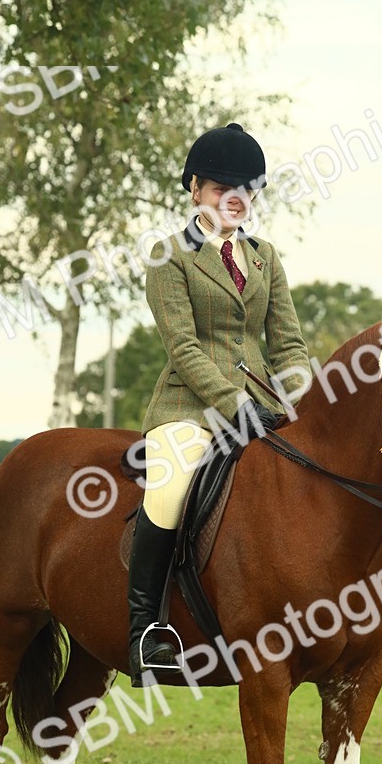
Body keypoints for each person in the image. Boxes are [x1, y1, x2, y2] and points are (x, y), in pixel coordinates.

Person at [127, 121, 311, 687]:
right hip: (189, 406)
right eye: (220, 189)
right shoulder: (170, 256)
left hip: (263, 406)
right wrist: (233, 405)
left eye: (245, 190)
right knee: (171, 485)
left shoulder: (265, 257)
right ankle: (145, 631)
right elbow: (183, 347)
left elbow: (288, 343)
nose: (235, 199)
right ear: (195, 190)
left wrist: (305, 398)